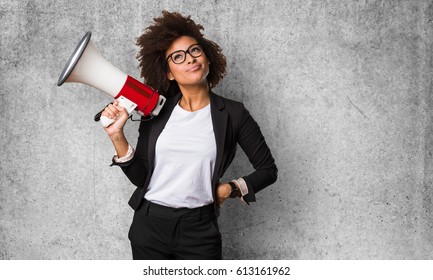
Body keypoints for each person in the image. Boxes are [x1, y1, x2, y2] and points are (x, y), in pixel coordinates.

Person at [101, 11, 278, 260]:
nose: (190, 59)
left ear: (207, 58)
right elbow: (141, 177)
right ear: (170, 73)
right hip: (149, 226)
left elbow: (268, 170)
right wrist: (116, 135)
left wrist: (231, 189)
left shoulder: (233, 113)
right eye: (178, 56)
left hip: (199, 229)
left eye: (195, 50)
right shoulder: (156, 112)